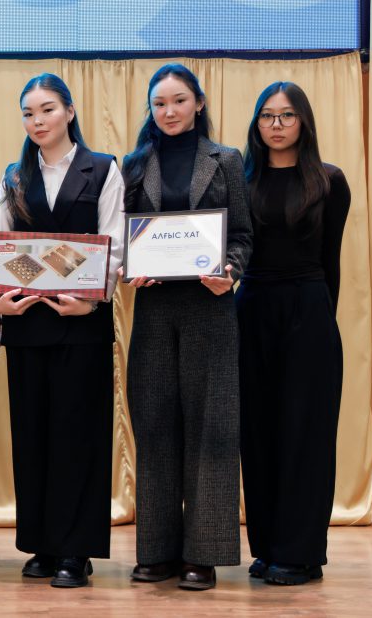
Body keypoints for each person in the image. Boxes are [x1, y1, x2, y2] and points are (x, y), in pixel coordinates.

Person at [0, 73, 125, 589]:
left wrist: (89, 298)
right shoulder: (14, 177)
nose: (37, 121)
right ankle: (42, 544)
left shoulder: (103, 169)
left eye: (47, 109)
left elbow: (114, 240)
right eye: (28, 113)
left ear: (69, 111)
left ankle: (75, 550)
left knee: (78, 435)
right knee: (34, 434)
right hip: (28, 324)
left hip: (82, 323)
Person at [121, 63, 252, 591]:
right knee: (154, 426)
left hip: (210, 309)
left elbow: (241, 235)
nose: (169, 111)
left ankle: (204, 552)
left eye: (178, 101)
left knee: (211, 429)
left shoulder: (226, 160)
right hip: (154, 309)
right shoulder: (134, 164)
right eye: (159, 103)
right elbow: (121, 237)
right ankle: (156, 550)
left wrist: (230, 273)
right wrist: (131, 269)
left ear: (199, 103)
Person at [238, 82, 351, 586]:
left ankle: (301, 553)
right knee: (259, 433)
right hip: (250, 310)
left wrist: (323, 322)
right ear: (256, 125)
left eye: (287, 115)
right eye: (267, 115)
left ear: (303, 121)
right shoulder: (240, 179)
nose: (277, 125)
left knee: (305, 434)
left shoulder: (329, 181)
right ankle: (267, 547)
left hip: (308, 311)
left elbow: (331, 263)